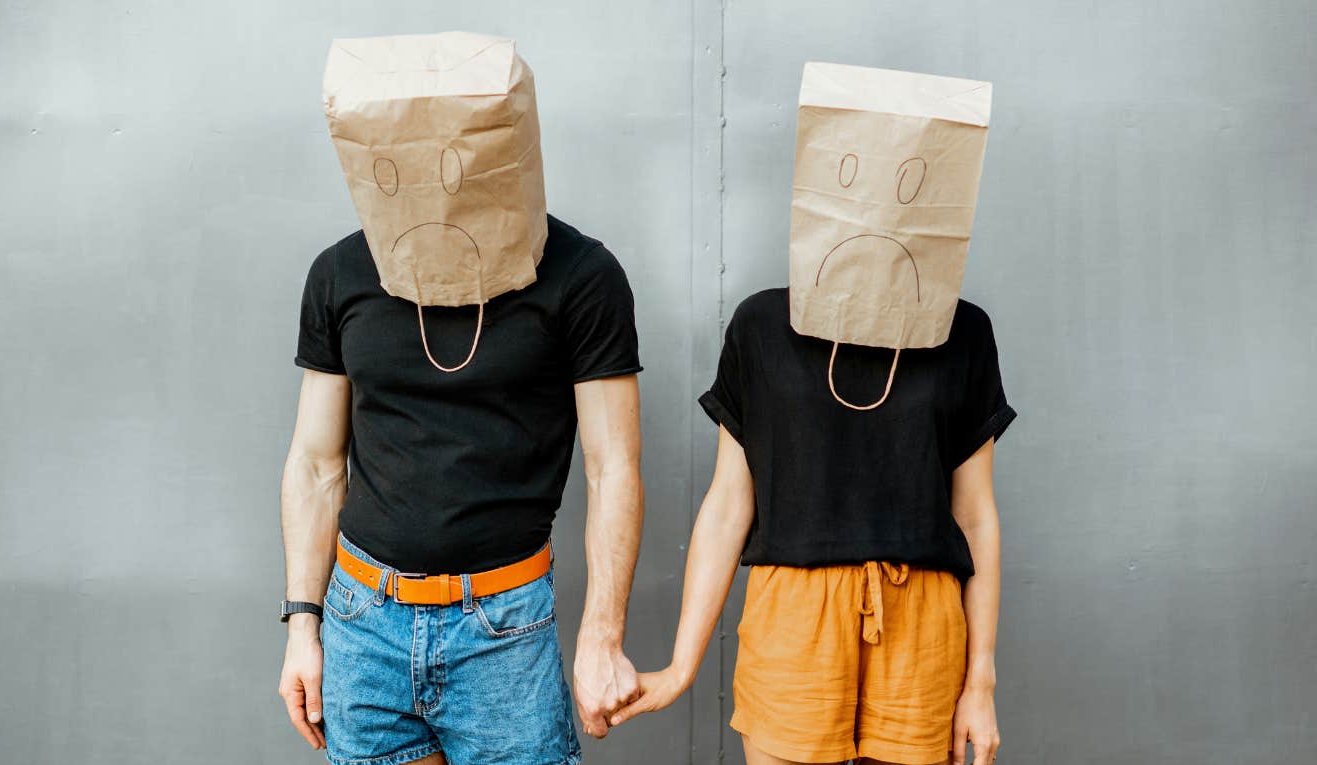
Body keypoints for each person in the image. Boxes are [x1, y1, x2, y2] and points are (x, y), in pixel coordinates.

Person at [608, 63, 1014, 765]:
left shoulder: (963, 332)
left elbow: (975, 514)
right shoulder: (762, 327)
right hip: (792, 620)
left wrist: (981, 681)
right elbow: (729, 504)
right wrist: (681, 664)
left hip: (922, 626)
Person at [277, 32, 644, 765]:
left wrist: (602, 636)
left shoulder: (582, 275)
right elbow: (317, 464)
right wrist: (302, 627)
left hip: (503, 627)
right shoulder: (341, 274)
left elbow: (614, 469)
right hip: (362, 619)